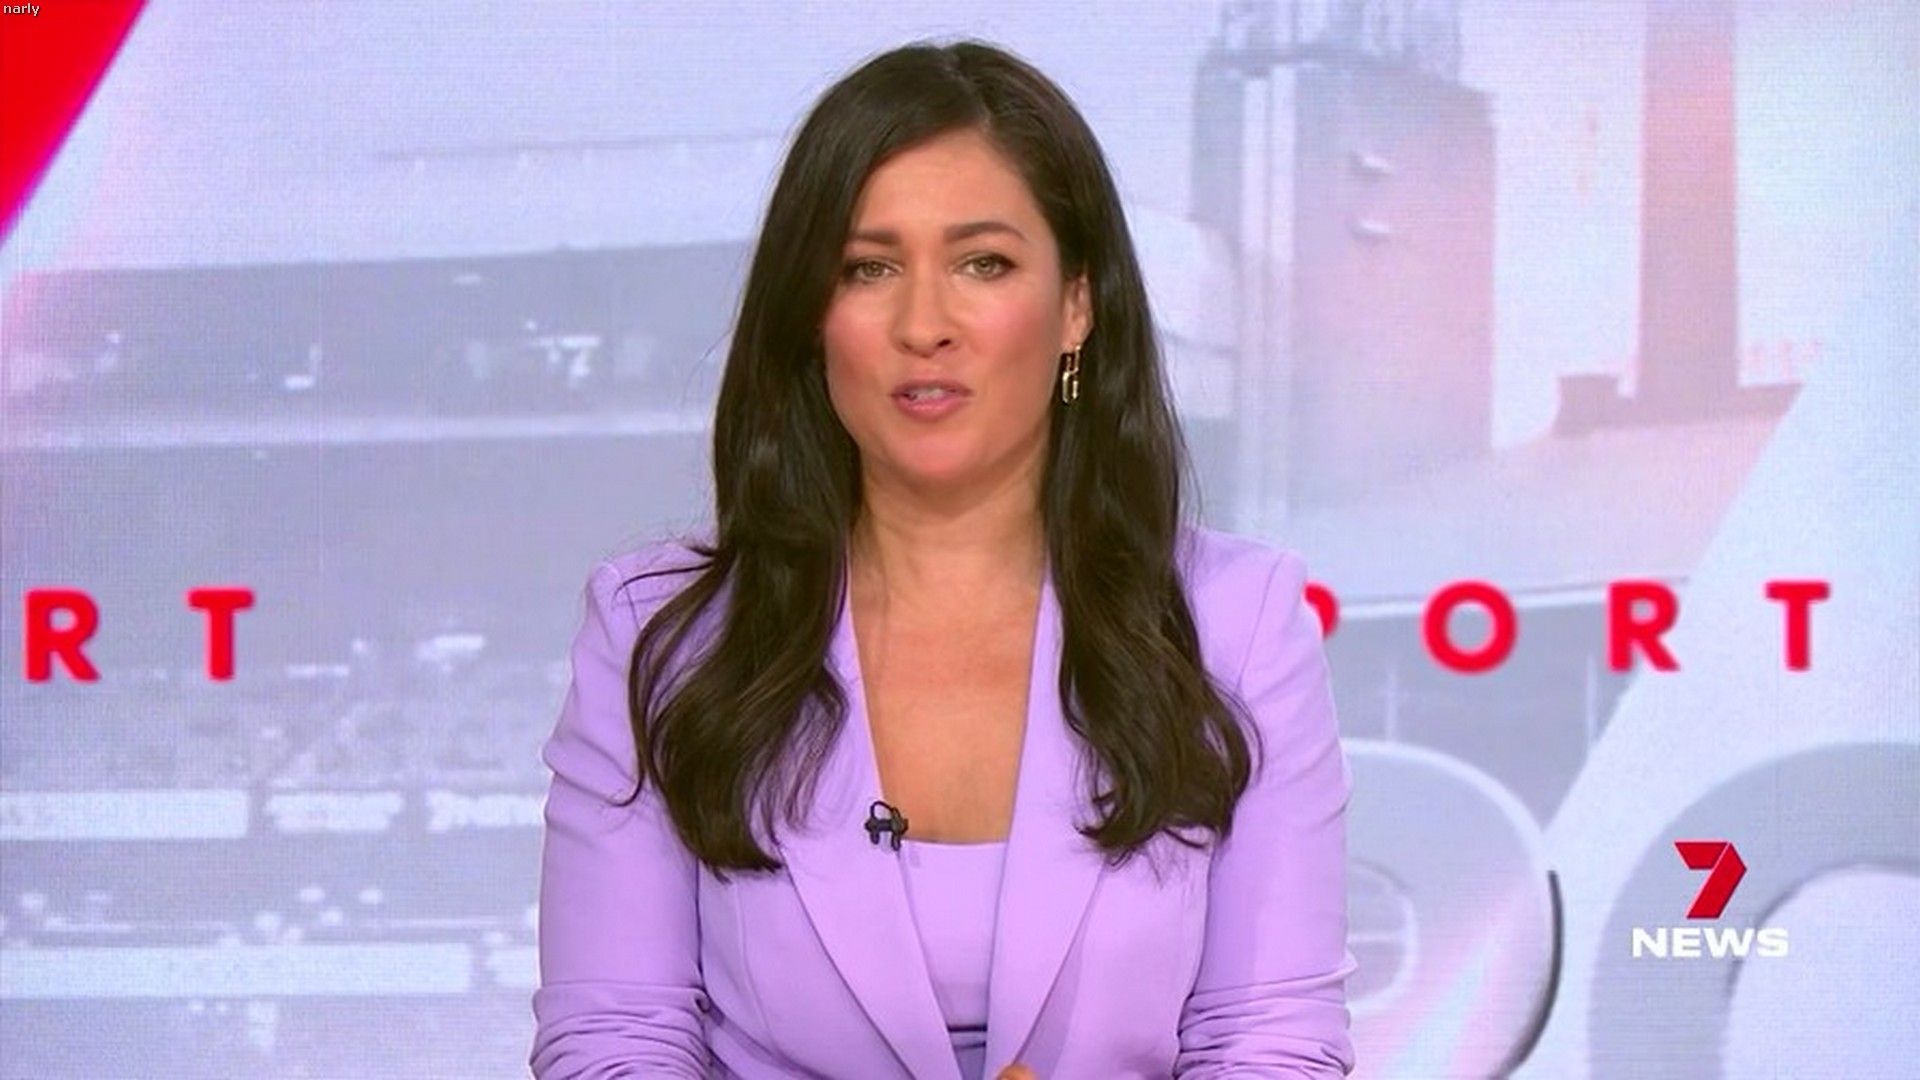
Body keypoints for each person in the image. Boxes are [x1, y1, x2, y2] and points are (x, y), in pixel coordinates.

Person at [530, 38, 1354, 1080]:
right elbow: (614, 1040)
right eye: (867, 268)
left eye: (983, 264)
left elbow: (1271, 1039)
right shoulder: (662, 636)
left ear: (1077, 305)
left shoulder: (1240, 622)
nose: (925, 324)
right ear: (811, 318)